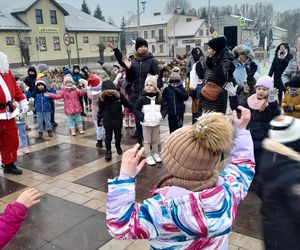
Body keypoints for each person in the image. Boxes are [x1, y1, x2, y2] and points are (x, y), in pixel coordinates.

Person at [106, 107, 255, 249]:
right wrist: (241, 131)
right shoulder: (230, 190)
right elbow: (244, 166)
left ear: (173, 165)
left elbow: (121, 227)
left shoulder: (162, 210)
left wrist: (125, 179)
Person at [225, 76, 280, 186]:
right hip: (249, 136)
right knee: (249, 160)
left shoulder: (270, 102)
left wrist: (273, 102)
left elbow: (275, 116)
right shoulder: (250, 99)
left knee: (260, 162)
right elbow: (237, 108)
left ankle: (258, 183)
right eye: (258, 88)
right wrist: (232, 96)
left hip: (263, 138)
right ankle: (250, 180)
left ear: (269, 90)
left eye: (264, 89)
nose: (260, 91)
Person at [257, 115, 300, 250]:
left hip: (272, 229)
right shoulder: (293, 173)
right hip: (289, 237)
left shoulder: (269, 157)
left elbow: (259, 189)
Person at [122, 37, 160, 145]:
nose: (143, 48)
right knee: (138, 119)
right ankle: (140, 141)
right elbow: (129, 79)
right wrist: (128, 68)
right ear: (136, 48)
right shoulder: (132, 61)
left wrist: (154, 87)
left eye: (145, 46)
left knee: (149, 119)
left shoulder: (152, 61)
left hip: (149, 95)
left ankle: (150, 142)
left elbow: (158, 76)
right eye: (141, 46)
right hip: (136, 94)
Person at [0, 52, 28, 175]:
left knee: (11, 140)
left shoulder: (7, 72)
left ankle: (9, 164)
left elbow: (15, 87)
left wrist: (22, 100)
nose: (7, 63)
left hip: (8, 112)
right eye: (4, 61)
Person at [133, 75, 166, 166]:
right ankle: (148, 156)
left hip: (156, 122)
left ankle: (155, 153)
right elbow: (135, 109)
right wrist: (142, 117)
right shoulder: (142, 99)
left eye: (151, 85)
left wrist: (161, 115)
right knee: (147, 140)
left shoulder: (159, 99)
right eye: (147, 84)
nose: (148, 86)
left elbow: (164, 108)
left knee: (155, 140)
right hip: (146, 123)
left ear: (155, 87)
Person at [200, 36, 235, 114]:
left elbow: (221, 78)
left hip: (217, 99)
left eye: (209, 48)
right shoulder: (209, 61)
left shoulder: (225, 62)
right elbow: (204, 77)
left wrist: (218, 64)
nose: (207, 51)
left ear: (215, 50)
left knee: (215, 123)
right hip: (206, 97)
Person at [98, 80, 131, 161]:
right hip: (107, 120)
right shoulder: (102, 98)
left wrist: (134, 109)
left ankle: (118, 145)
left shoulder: (119, 96)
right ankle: (108, 151)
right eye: (107, 92)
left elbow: (127, 104)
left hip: (117, 120)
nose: (109, 94)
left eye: (111, 91)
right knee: (108, 137)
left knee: (118, 135)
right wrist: (99, 119)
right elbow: (101, 109)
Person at [162, 67, 189, 133]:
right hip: (171, 113)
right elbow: (163, 100)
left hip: (180, 113)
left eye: (176, 83)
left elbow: (185, 97)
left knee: (179, 129)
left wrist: (176, 90)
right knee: (172, 129)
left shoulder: (181, 88)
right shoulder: (167, 89)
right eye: (172, 83)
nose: (174, 85)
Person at [85, 74, 105, 148]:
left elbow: (88, 89)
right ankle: (106, 138)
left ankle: (99, 142)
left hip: (96, 114)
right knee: (105, 127)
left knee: (98, 128)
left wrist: (88, 87)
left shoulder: (90, 94)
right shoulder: (103, 92)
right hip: (104, 112)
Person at [187, 47, 206, 123]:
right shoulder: (191, 59)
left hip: (200, 82)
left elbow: (202, 73)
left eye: (197, 52)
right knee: (194, 101)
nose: (196, 54)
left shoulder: (203, 59)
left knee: (199, 104)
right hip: (193, 81)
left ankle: (197, 122)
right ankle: (194, 123)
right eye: (195, 52)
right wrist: (189, 73)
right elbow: (188, 66)